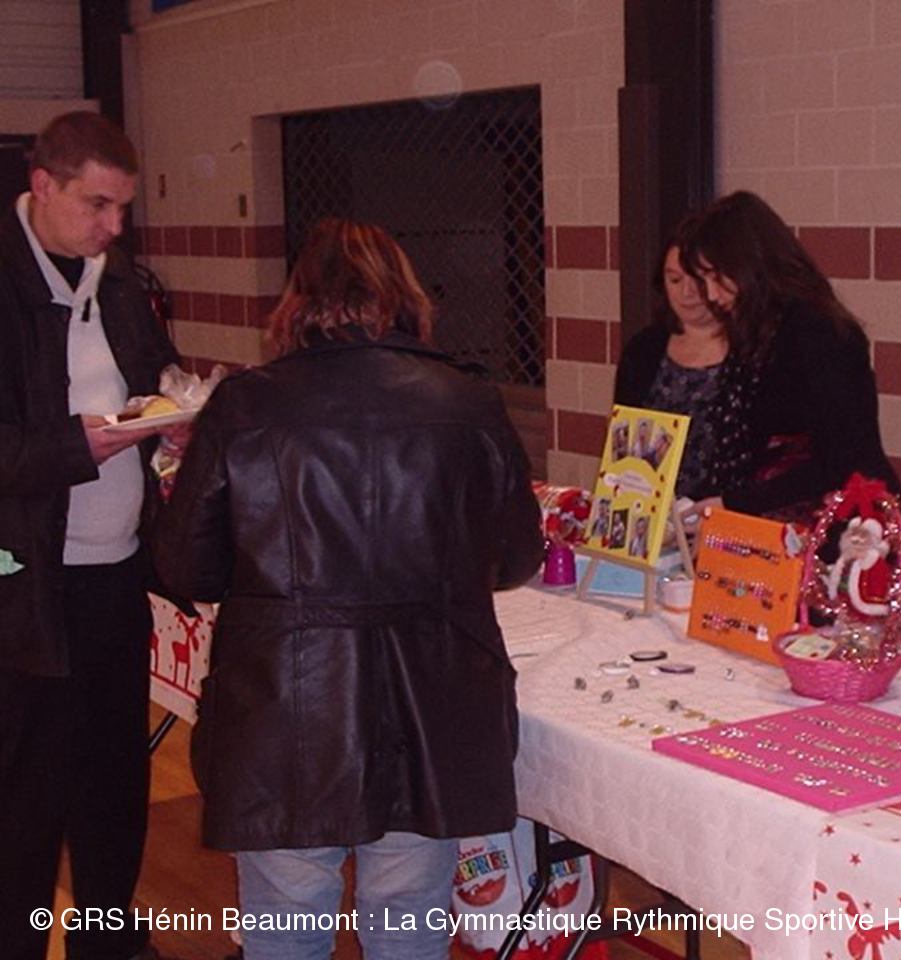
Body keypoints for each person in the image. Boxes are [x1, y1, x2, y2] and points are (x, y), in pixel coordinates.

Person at [153, 218, 543, 960]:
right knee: (407, 918)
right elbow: (517, 556)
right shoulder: (468, 401)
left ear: (297, 302)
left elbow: (187, 569)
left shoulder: (245, 406)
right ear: (404, 296)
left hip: (286, 709)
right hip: (428, 705)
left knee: (287, 921)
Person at [0, 111, 181, 960]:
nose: (114, 226)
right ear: (43, 186)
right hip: (24, 587)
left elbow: (152, 377)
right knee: (27, 797)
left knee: (114, 782)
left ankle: (110, 940)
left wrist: (170, 417)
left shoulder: (117, 284)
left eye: (123, 208)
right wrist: (77, 447)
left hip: (115, 574)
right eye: (97, 205)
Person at [618, 192, 901, 520]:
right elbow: (737, 451)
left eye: (715, 277)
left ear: (750, 266)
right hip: (768, 515)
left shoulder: (819, 332)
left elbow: (843, 456)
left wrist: (735, 502)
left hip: (837, 518)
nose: (710, 294)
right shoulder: (754, 329)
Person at [614, 216, 728, 501]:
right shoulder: (645, 348)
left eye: (697, 280)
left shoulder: (749, 349)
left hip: (722, 510)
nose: (686, 292)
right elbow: (623, 440)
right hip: (652, 508)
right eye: (675, 279)